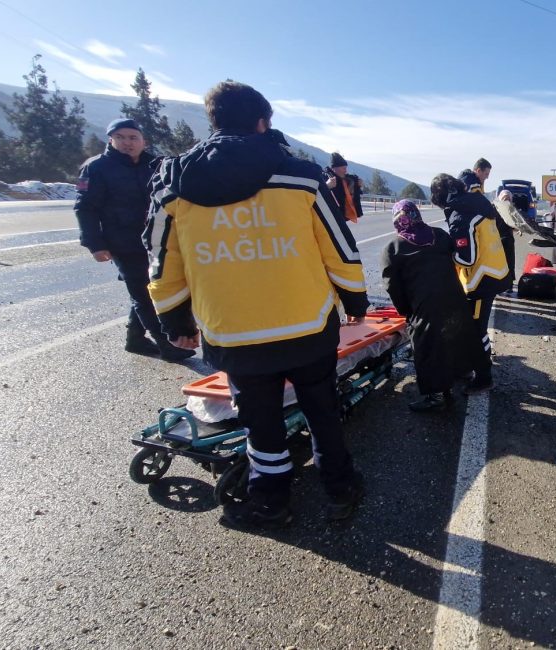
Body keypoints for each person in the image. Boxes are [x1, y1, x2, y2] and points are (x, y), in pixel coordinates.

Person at [145, 81, 369, 528]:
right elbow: (339, 248)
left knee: (259, 422)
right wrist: (355, 300)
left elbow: (161, 259)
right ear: (263, 122)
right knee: (322, 409)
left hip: (233, 332)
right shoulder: (302, 178)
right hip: (306, 326)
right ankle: (340, 487)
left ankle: (271, 500)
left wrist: (174, 319)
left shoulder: (173, 187)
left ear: (214, 121)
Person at [74, 118, 194, 362]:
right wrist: (95, 244)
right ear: (111, 140)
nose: (127, 142)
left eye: (132, 137)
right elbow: (85, 208)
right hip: (123, 242)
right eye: (120, 137)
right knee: (143, 292)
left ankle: (135, 340)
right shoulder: (97, 167)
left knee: (147, 288)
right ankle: (166, 344)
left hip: (157, 240)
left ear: (143, 141)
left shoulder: (156, 164)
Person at [380, 200, 491, 410]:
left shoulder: (393, 248)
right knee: (456, 334)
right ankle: (463, 371)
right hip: (455, 298)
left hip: (425, 305)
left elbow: (392, 286)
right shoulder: (439, 236)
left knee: (427, 346)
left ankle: (437, 395)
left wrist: (406, 310)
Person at [429, 173, 508, 393]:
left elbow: (466, 258)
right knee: (471, 326)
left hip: (480, 280)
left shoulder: (460, 215)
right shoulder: (477, 201)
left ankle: (484, 376)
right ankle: (465, 366)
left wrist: (444, 253)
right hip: (493, 271)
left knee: (476, 330)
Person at [460, 158, 515, 294]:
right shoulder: (471, 185)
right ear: (478, 170)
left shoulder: (475, 184)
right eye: (486, 174)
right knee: (470, 262)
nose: (487, 177)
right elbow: (479, 206)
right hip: (470, 231)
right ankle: (472, 291)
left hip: (484, 233)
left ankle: (478, 288)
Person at [324, 152, 364, 223]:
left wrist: (359, 186)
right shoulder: (324, 177)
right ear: (334, 168)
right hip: (328, 218)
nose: (345, 171)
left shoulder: (348, 180)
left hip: (341, 218)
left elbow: (356, 194)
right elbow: (315, 194)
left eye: (346, 168)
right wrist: (327, 186)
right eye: (343, 168)